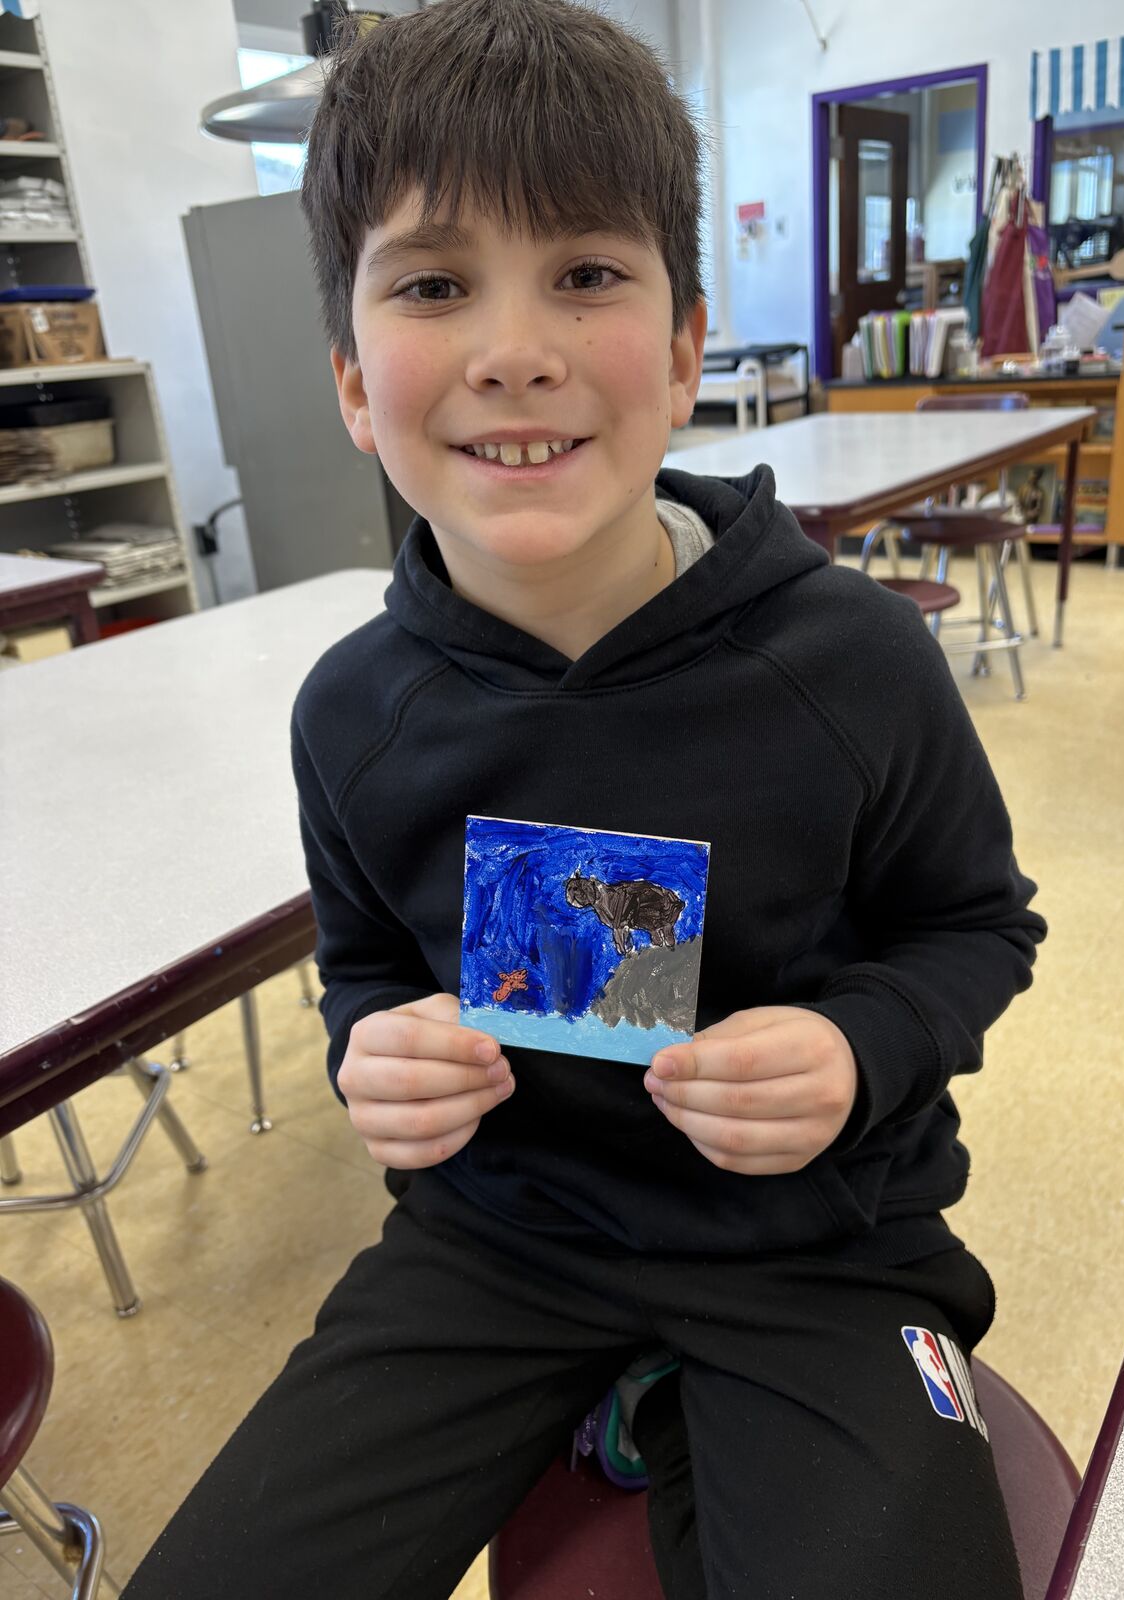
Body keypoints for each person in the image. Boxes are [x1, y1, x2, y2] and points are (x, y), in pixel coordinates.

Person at [124, 2, 1045, 1596]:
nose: (513, 348)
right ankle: (634, 1406)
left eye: (589, 274)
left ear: (686, 347)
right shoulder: (354, 713)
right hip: (504, 1244)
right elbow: (365, 971)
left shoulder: (853, 662)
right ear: (353, 383)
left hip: (819, 1246)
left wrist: (856, 1044)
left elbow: (975, 928)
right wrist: (375, 1055)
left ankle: (676, 1415)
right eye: (432, 285)